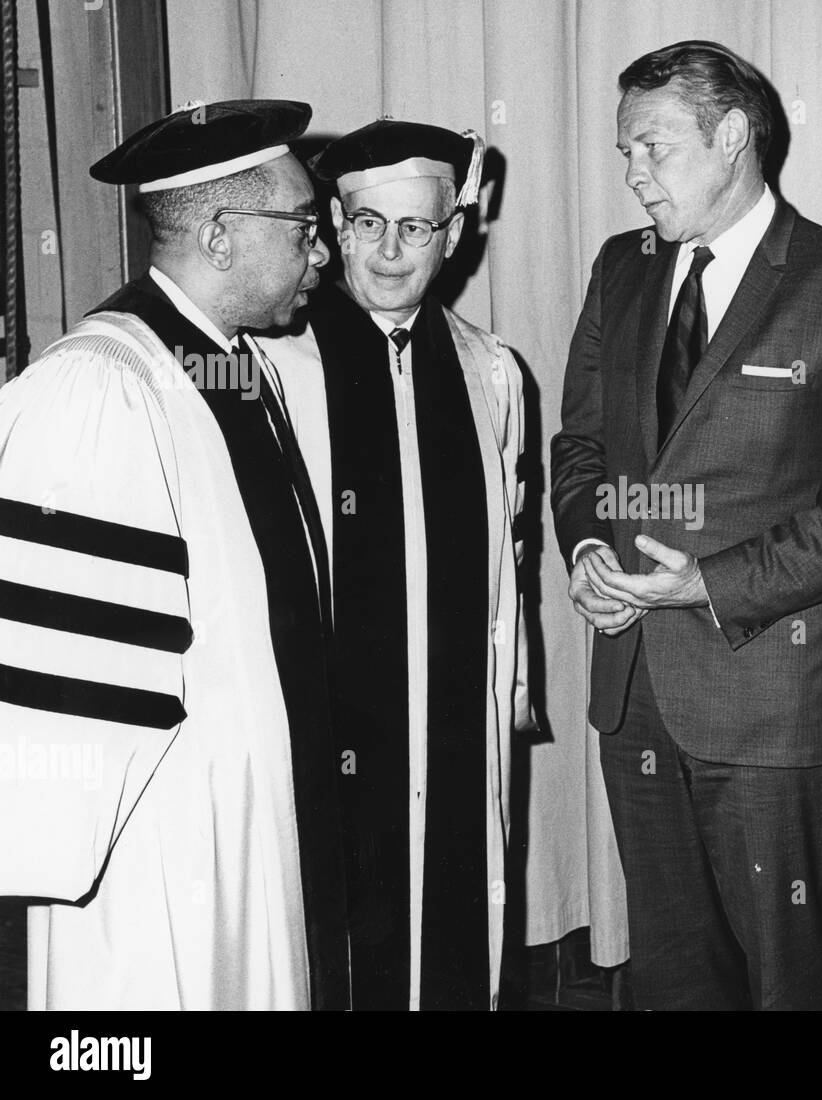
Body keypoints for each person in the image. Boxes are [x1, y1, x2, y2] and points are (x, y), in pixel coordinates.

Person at [551, 40, 822, 1010]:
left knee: (785, 978)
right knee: (672, 973)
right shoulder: (621, 270)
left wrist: (707, 583)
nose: (631, 173)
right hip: (632, 690)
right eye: (624, 149)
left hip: (770, 697)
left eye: (651, 147)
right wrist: (589, 542)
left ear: (729, 137)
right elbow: (580, 446)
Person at [0, 99, 348, 1008]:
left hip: (250, 819)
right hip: (162, 850)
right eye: (305, 227)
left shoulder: (230, 367)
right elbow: (69, 671)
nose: (323, 253)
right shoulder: (98, 388)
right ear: (224, 235)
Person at [259, 119, 529, 1010]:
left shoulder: (491, 372)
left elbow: (507, 562)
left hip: (451, 724)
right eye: (367, 223)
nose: (387, 249)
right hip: (324, 723)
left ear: (453, 235)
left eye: (415, 228)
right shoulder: (275, 367)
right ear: (334, 226)